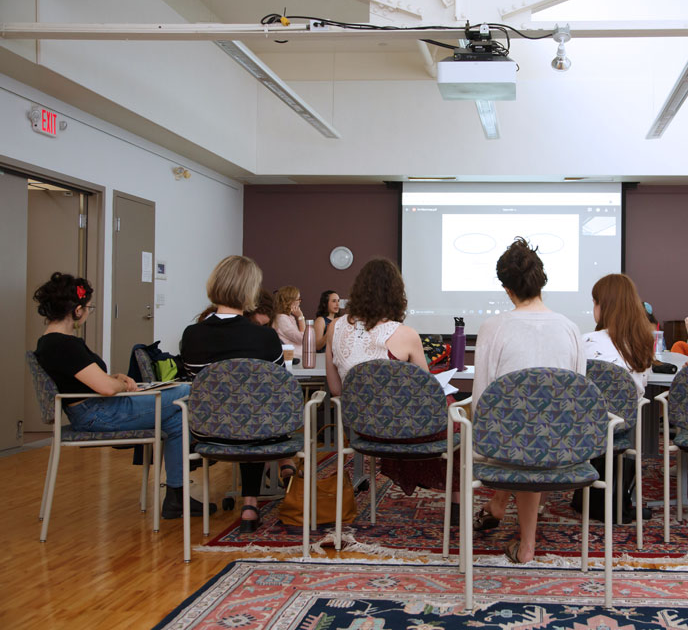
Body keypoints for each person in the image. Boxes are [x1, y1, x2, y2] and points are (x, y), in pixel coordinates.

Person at [32, 272, 210, 519]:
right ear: (77, 310)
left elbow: (93, 381)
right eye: (88, 308)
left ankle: (176, 496)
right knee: (186, 391)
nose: (87, 313)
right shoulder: (62, 344)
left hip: (95, 409)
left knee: (176, 417)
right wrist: (117, 384)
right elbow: (103, 388)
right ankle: (223, 447)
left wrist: (115, 378)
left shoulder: (53, 342)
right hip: (98, 413)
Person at [472, 238, 586, 564]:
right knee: (537, 429)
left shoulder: (493, 327)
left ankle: (526, 545)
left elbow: (483, 400)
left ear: (508, 289)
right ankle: (515, 525)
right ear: (541, 282)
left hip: (506, 445)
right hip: (565, 446)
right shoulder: (570, 328)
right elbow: (578, 397)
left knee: (523, 433)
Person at [325, 258, 459, 511]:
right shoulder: (405, 334)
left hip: (362, 428)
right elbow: (429, 393)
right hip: (402, 429)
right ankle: (455, 506)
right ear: (397, 295)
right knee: (455, 424)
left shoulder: (334, 327)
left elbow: (335, 390)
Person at [180, 256, 294, 533]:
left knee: (243, 413)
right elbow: (279, 391)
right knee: (254, 414)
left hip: (207, 431)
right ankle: (251, 502)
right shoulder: (264, 337)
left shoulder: (192, 335)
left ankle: (251, 504)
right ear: (251, 292)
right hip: (258, 432)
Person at [581, 273, 655, 521]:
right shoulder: (643, 344)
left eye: (594, 303)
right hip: (622, 428)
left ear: (604, 306)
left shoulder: (586, 341)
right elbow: (640, 389)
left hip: (584, 428)